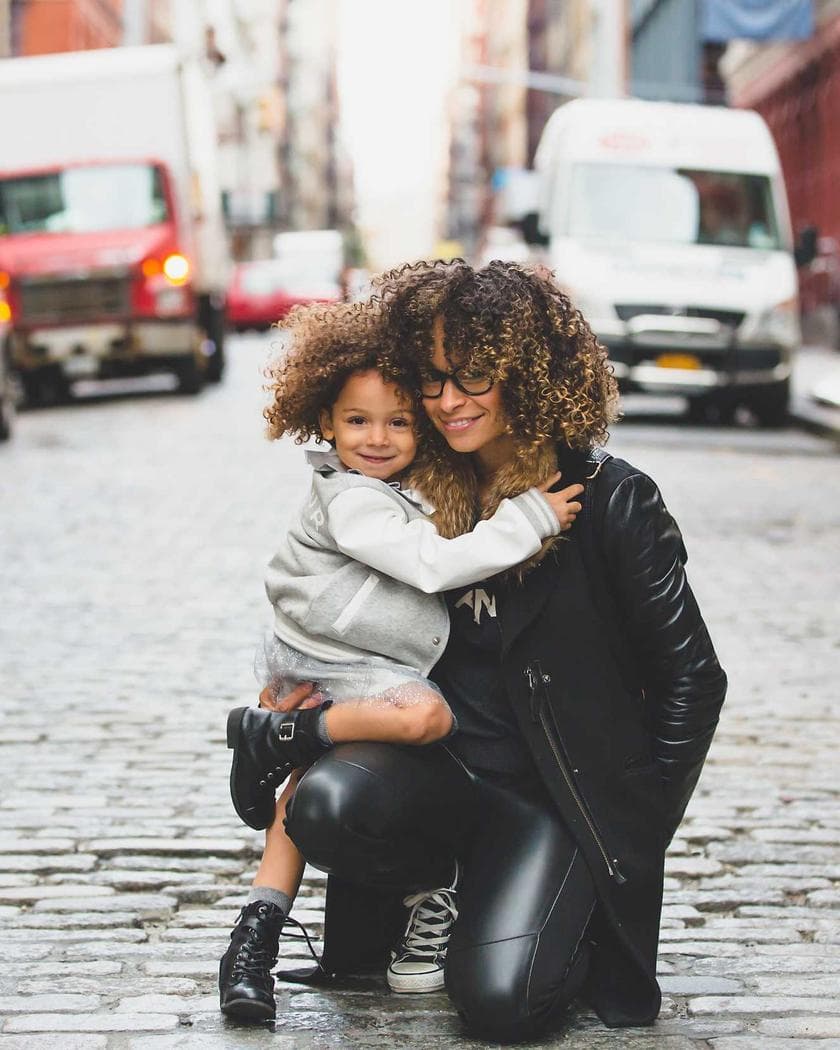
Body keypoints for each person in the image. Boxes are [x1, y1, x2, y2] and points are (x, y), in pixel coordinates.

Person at [265, 260, 727, 1043]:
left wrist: (630, 835)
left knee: (501, 1005)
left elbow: (693, 681)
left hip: (552, 801)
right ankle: (437, 891)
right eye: (434, 380)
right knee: (328, 805)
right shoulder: (413, 487)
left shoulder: (612, 500)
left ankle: (542, 902)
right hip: (442, 776)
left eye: (474, 378)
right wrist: (298, 701)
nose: (448, 402)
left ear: (530, 373)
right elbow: (332, 606)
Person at [219, 297, 584, 1021]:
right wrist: (531, 518)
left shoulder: (398, 487)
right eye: (358, 422)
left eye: (399, 421)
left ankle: (251, 934)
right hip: (343, 660)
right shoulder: (352, 500)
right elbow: (428, 565)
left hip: (337, 660)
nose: (379, 438)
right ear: (325, 422)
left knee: (300, 791)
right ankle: (284, 745)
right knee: (424, 715)